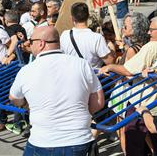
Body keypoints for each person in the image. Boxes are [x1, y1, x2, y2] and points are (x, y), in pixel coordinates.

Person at [9, 26, 104, 155]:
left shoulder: (26, 70)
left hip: (42, 141)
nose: (29, 45)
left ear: (41, 43)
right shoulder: (82, 64)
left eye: (31, 41)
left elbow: (14, 98)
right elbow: (98, 101)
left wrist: (28, 106)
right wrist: (78, 114)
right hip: (78, 140)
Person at [100, 16, 157, 156]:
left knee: (133, 140)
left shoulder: (152, 46)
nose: (149, 33)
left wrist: (110, 67)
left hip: (144, 101)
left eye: (152, 30)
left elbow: (129, 70)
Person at [60, 2, 114, 68]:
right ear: (88, 16)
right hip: (92, 76)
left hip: (72, 74)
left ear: (72, 18)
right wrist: (111, 46)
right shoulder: (97, 38)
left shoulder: (64, 35)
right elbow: (110, 62)